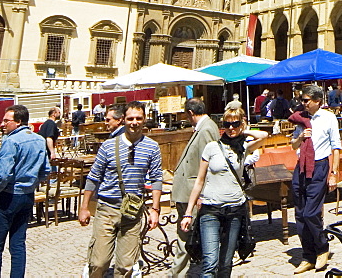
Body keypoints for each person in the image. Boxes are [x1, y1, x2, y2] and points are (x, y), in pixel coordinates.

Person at [179, 108, 267, 278]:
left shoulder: (244, 147)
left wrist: (243, 129)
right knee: (210, 263)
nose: (231, 128)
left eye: (235, 124)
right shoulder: (212, 147)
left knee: (226, 264)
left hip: (235, 210)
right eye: (227, 124)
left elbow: (263, 136)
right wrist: (188, 212)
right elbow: (200, 180)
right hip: (211, 209)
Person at [80, 102, 163, 278]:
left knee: (126, 266)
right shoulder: (109, 146)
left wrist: (155, 209)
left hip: (132, 213)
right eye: (130, 118)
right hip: (107, 209)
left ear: (144, 120)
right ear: (123, 120)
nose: (134, 122)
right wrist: (84, 207)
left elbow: (156, 178)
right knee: (99, 262)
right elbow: (93, 177)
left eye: (138, 118)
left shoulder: (152, 147)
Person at [0, 104, 51, 278]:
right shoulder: (39, 140)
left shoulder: (12, 141)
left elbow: (4, 174)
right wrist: (31, 182)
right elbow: (45, 170)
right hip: (27, 195)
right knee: (18, 244)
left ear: (19, 121)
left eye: (7, 120)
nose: (3, 123)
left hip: (9, 196)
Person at [289, 84, 342, 274]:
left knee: (311, 212)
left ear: (317, 101)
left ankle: (322, 248)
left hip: (319, 166)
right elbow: (292, 144)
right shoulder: (300, 118)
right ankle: (307, 256)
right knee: (300, 214)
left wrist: (334, 174)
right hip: (301, 167)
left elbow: (336, 146)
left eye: (306, 101)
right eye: (301, 100)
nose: (302, 104)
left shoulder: (328, 118)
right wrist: (301, 137)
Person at [170, 98, 221, 278]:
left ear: (191, 113)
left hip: (193, 192)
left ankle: (177, 273)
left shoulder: (206, 129)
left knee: (186, 236)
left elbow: (210, 163)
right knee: (188, 235)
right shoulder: (204, 127)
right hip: (189, 191)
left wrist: (202, 193)